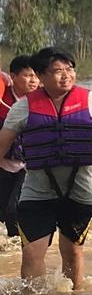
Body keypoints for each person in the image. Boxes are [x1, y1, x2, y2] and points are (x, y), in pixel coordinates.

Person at [0, 47, 92, 289]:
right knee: (31, 252)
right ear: (41, 76)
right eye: (58, 71)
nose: (66, 75)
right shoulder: (23, 108)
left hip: (79, 192)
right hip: (36, 192)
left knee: (71, 251)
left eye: (69, 69)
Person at [0, 55, 39, 236]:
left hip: (29, 165)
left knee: (13, 210)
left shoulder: (42, 99)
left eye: (36, 76)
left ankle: (22, 248)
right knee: (2, 211)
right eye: (28, 75)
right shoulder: (2, 97)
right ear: (13, 76)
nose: (34, 81)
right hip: (4, 162)